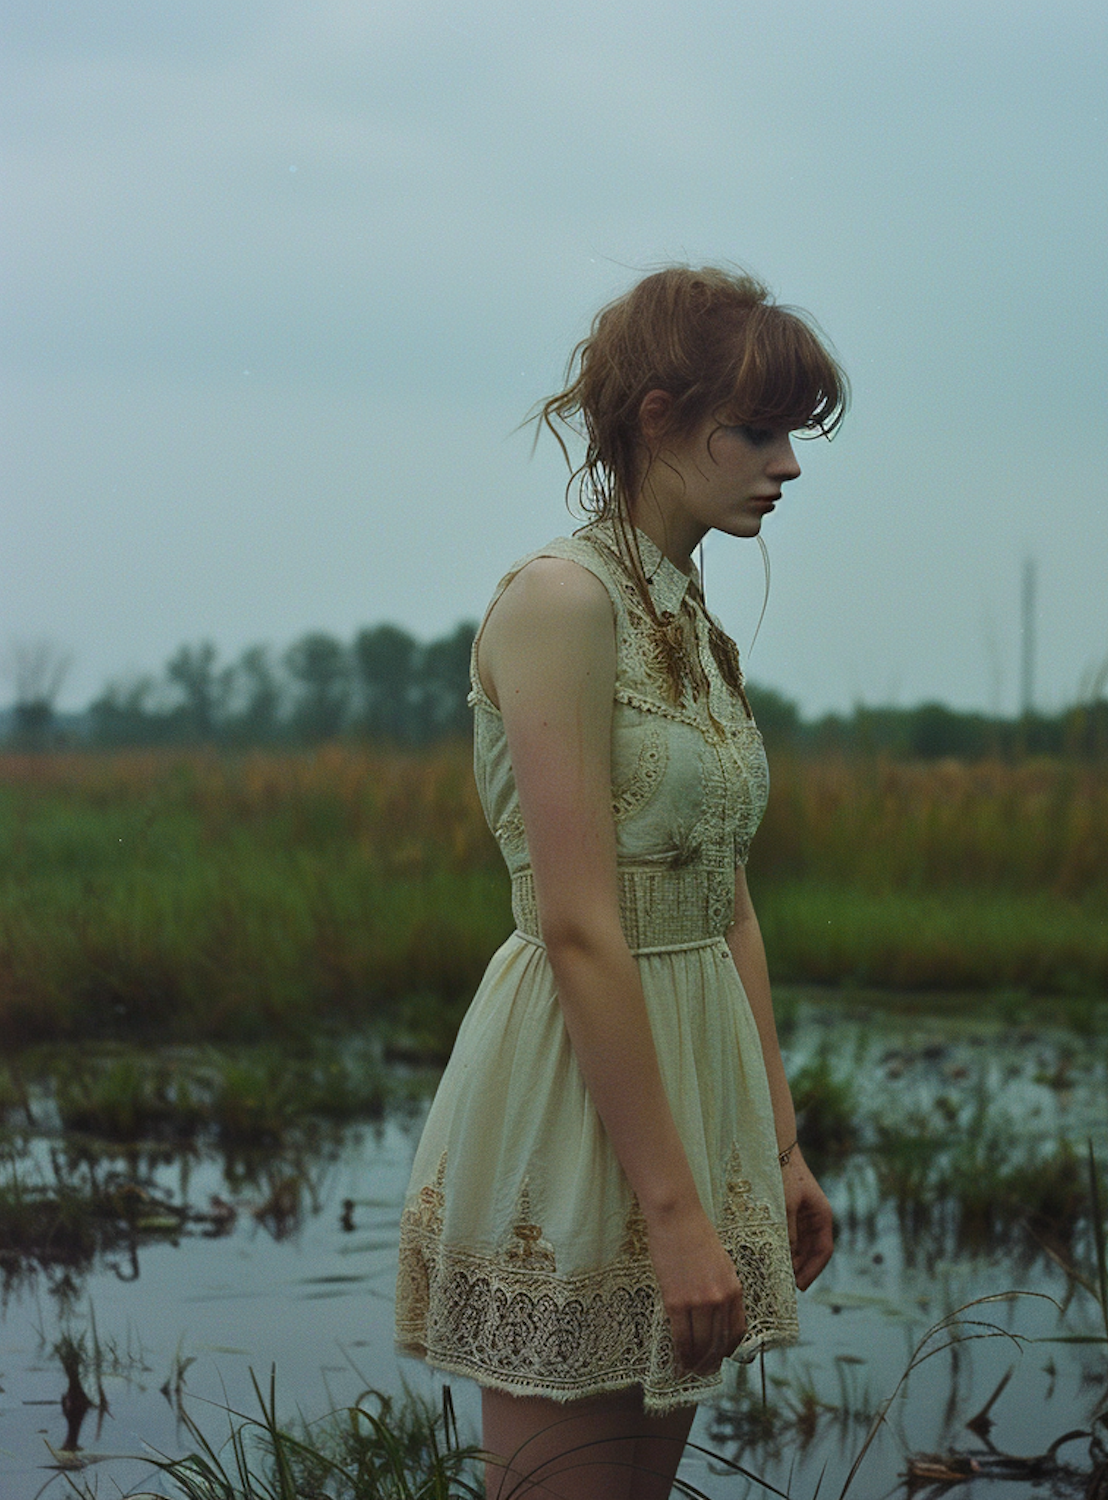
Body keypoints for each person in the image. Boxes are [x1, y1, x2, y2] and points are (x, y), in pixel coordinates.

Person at [395, 265, 846, 1499]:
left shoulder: (691, 614)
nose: (788, 464)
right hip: (583, 1086)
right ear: (657, 415)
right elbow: (581, 923)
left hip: (690, 1077)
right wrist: (675, 1211)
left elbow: (726, 898)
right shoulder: (562, 601)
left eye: (793, 434)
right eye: (758, 431)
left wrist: (780, 1143)